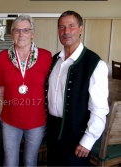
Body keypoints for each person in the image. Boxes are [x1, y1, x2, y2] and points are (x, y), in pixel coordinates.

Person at [46, 10, 109, 166]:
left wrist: (88, 140)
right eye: (62, 27)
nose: (66, 31)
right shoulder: (55, 60)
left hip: (77, 137)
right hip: (53, 133)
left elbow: (100, 109)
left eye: (71, 26)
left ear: (81, 29)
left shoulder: (95, 64)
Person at [0, 15, 53, 167]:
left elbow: (51, 89)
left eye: (26, 30)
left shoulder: (46, 57)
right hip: (10, 121)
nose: (21, 35)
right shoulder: (2, 57)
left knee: (29, 161)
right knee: (10, 162)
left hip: (36, 121)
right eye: (17, 30)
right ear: (12, 34)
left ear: (32, 33)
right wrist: (2, 115)